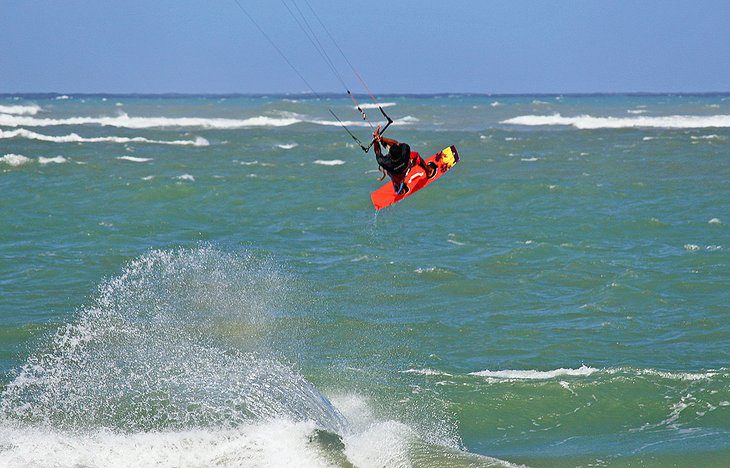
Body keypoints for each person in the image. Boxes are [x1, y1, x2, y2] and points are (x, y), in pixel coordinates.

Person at [372, 126, 436, 194]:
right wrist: (382, 138)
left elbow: (377, 152)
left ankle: (401, 189)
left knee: (393, 175)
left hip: (397, 174)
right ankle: (428, 171)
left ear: (390, 155)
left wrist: (375, 141)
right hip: (408, 166)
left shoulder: (386, 163)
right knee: (416, 155)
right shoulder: (405, 152)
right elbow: (396, 143)